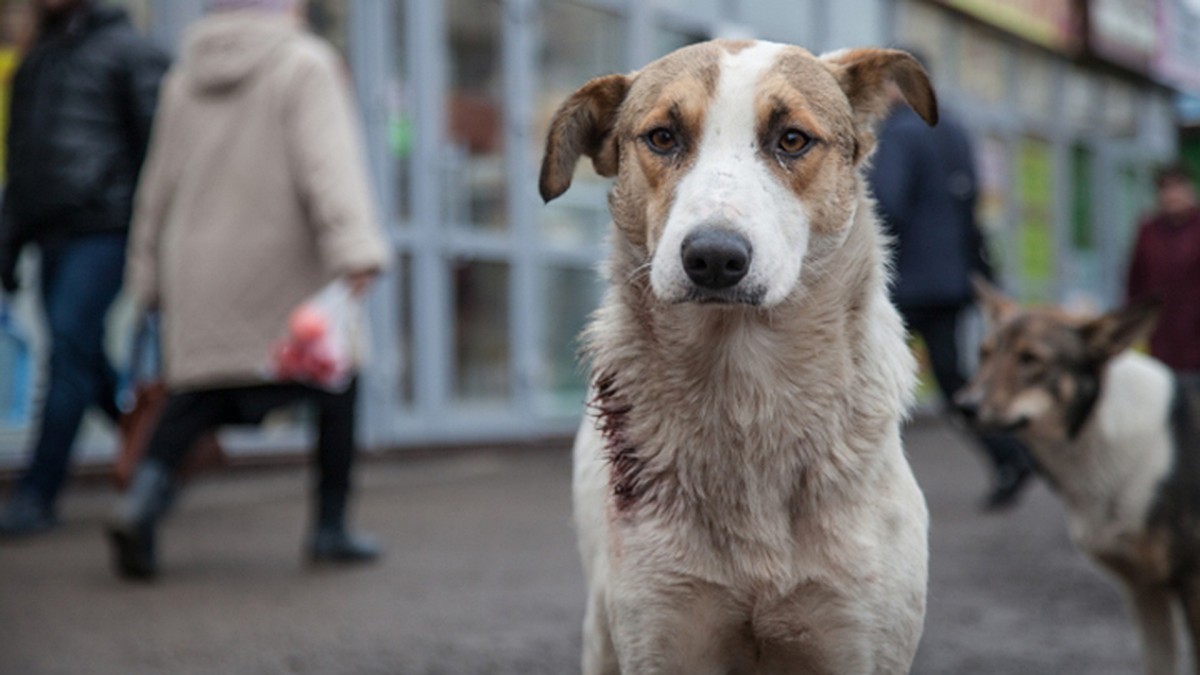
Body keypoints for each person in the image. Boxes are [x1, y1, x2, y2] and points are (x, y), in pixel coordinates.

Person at [105, 0, 390, 580]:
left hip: (199, 265)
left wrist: (146, 279)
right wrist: (356, 251)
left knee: (194, 397)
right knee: (338, 380)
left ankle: (140, 506)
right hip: (282, 262)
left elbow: (155, 188)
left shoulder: (183, 78)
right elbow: (328, 167)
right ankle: (329, 528)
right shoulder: (304, 64)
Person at [0, 0, 168, 537]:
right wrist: (9, 240)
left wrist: (155, 237)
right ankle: (161, 447)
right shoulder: (41, 58)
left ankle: (37, 494)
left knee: (69, 349)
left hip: (107, 226)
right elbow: (23, 159)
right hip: (50, 232)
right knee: (82, 355)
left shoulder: (128, 51)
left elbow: (160, 153)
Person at [868, 56, 1034, 511]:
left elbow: (887, 205)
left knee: (872, 377)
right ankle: (1010, 454)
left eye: (883, 86)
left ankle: (867, 486)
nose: (879, 96)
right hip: (951, 279)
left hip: (908, 282)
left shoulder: (900, 133)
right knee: (950, 375)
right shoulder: (955, 129)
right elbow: (972, 202)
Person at [1127, 164, 1200, 374]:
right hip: (1160, 334)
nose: (1172, 196)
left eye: (1177, 188)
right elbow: (1135, 280)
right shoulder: (1148, 231)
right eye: (1166, 189)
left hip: (1195, 334)